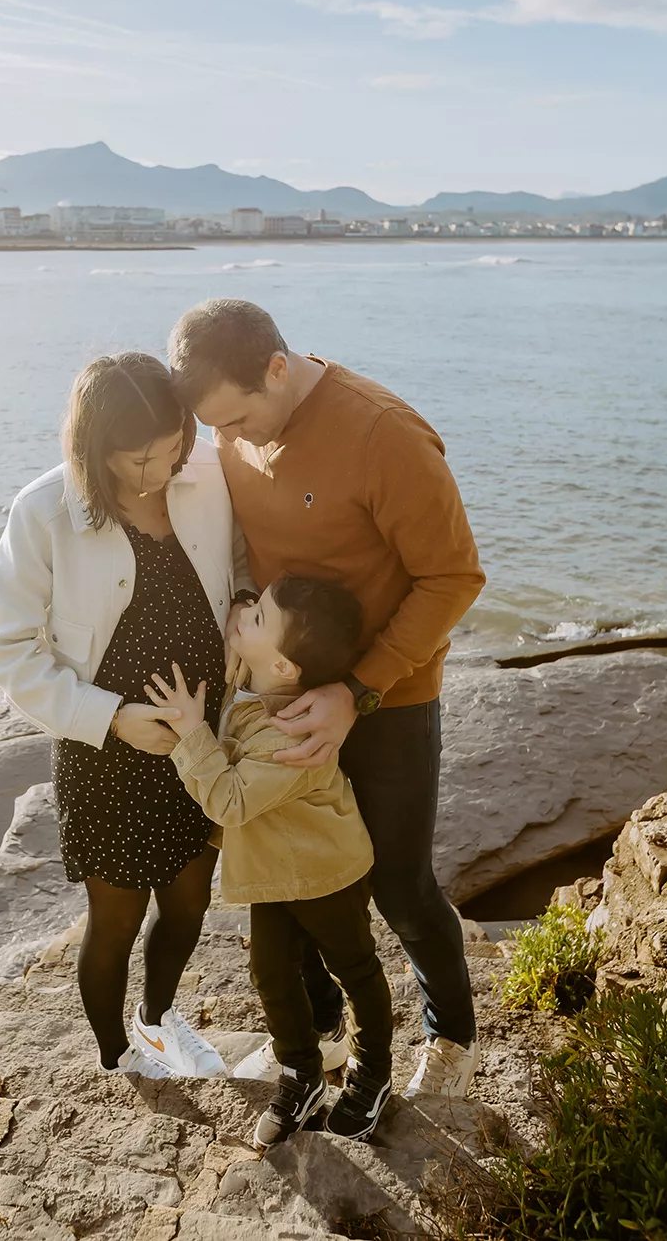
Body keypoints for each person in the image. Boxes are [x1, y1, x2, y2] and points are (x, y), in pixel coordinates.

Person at [168, 301, 486, 1098]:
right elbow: (242, 547)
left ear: (279, 367)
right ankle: (319, 1038)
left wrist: (357, 689)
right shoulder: (230, 428)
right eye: (216, 427)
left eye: (238, 419)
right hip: (278, 697)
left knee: (400, 885)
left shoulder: (385, 436)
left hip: (390, 692)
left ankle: (450, 1041)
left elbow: (454, 577)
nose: (229, 440)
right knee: (289, 876)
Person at [0, 352, 235, 1080]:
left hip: (200, 746)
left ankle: (156, 1022)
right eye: (137, 459)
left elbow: (242, 571)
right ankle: (116, 1059)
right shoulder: (44, 511)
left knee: (189, 904)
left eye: (172, 447)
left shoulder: (207, 472)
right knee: (114, 922)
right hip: (104, 752)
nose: (160, 470)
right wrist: (112, 717)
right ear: (95, 449)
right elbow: (6, 649)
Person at [146, 574, 394, 1149]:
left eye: (258, 618)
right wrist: (242, 617)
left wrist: (189, 732)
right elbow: (241, 671)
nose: (246, 615)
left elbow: (229, 800)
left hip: (327, 871)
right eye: (254, 607)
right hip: (273, 873)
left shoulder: (292, 734)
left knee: (354, 968)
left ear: (285, 667)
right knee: (271, 973)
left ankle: (373, 1072)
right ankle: (301, 1074)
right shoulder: (257, 680)